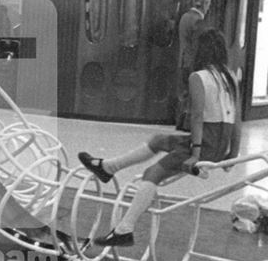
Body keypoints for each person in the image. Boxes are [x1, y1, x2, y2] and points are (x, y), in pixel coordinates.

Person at [79, 28, 241, 246]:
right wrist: (233, 152)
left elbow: (198, 117)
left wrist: (195, 154)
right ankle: (108, 167)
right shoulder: (229, 76)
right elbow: (237, 118)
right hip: (219, 144)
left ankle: (124, 229)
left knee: (151, 174)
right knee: (158, 140)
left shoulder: (199, 77)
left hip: (205, 144)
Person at [175, 0, 211, 129]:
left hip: (183, 60)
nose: (208, 8)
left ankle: (180, 121)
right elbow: (198, 44)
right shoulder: (198, 21)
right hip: (193, 62)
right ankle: (188, 124)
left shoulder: (185, 17)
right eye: (208, 4)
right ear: (204, 4)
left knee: (183, 92)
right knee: (193, 93)